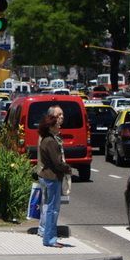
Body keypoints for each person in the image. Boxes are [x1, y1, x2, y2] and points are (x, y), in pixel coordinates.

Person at [37, 105, 72, 248]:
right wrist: (68, 169)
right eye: (56, 124)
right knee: (53, 209)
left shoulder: (47, 139)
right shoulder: (50, 141)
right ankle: (50, 238)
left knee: (50, 207)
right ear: (50, 127)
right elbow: (57, 162)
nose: (59, 126)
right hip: (52, 178)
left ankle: (49, 237)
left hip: (47, 177)